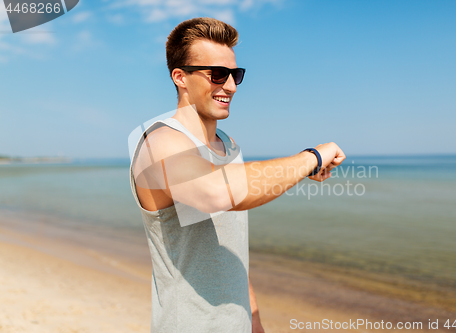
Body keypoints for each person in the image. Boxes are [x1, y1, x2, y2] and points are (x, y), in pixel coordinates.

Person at [129, 17, 345, 333]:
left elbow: (226, 246)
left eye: (235, 74)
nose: (229, 86)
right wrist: (311, 158)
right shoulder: (159, 142)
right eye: (217, 74)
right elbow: (215, 193)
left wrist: (253, 317)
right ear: (181, 77)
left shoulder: (228, 145)